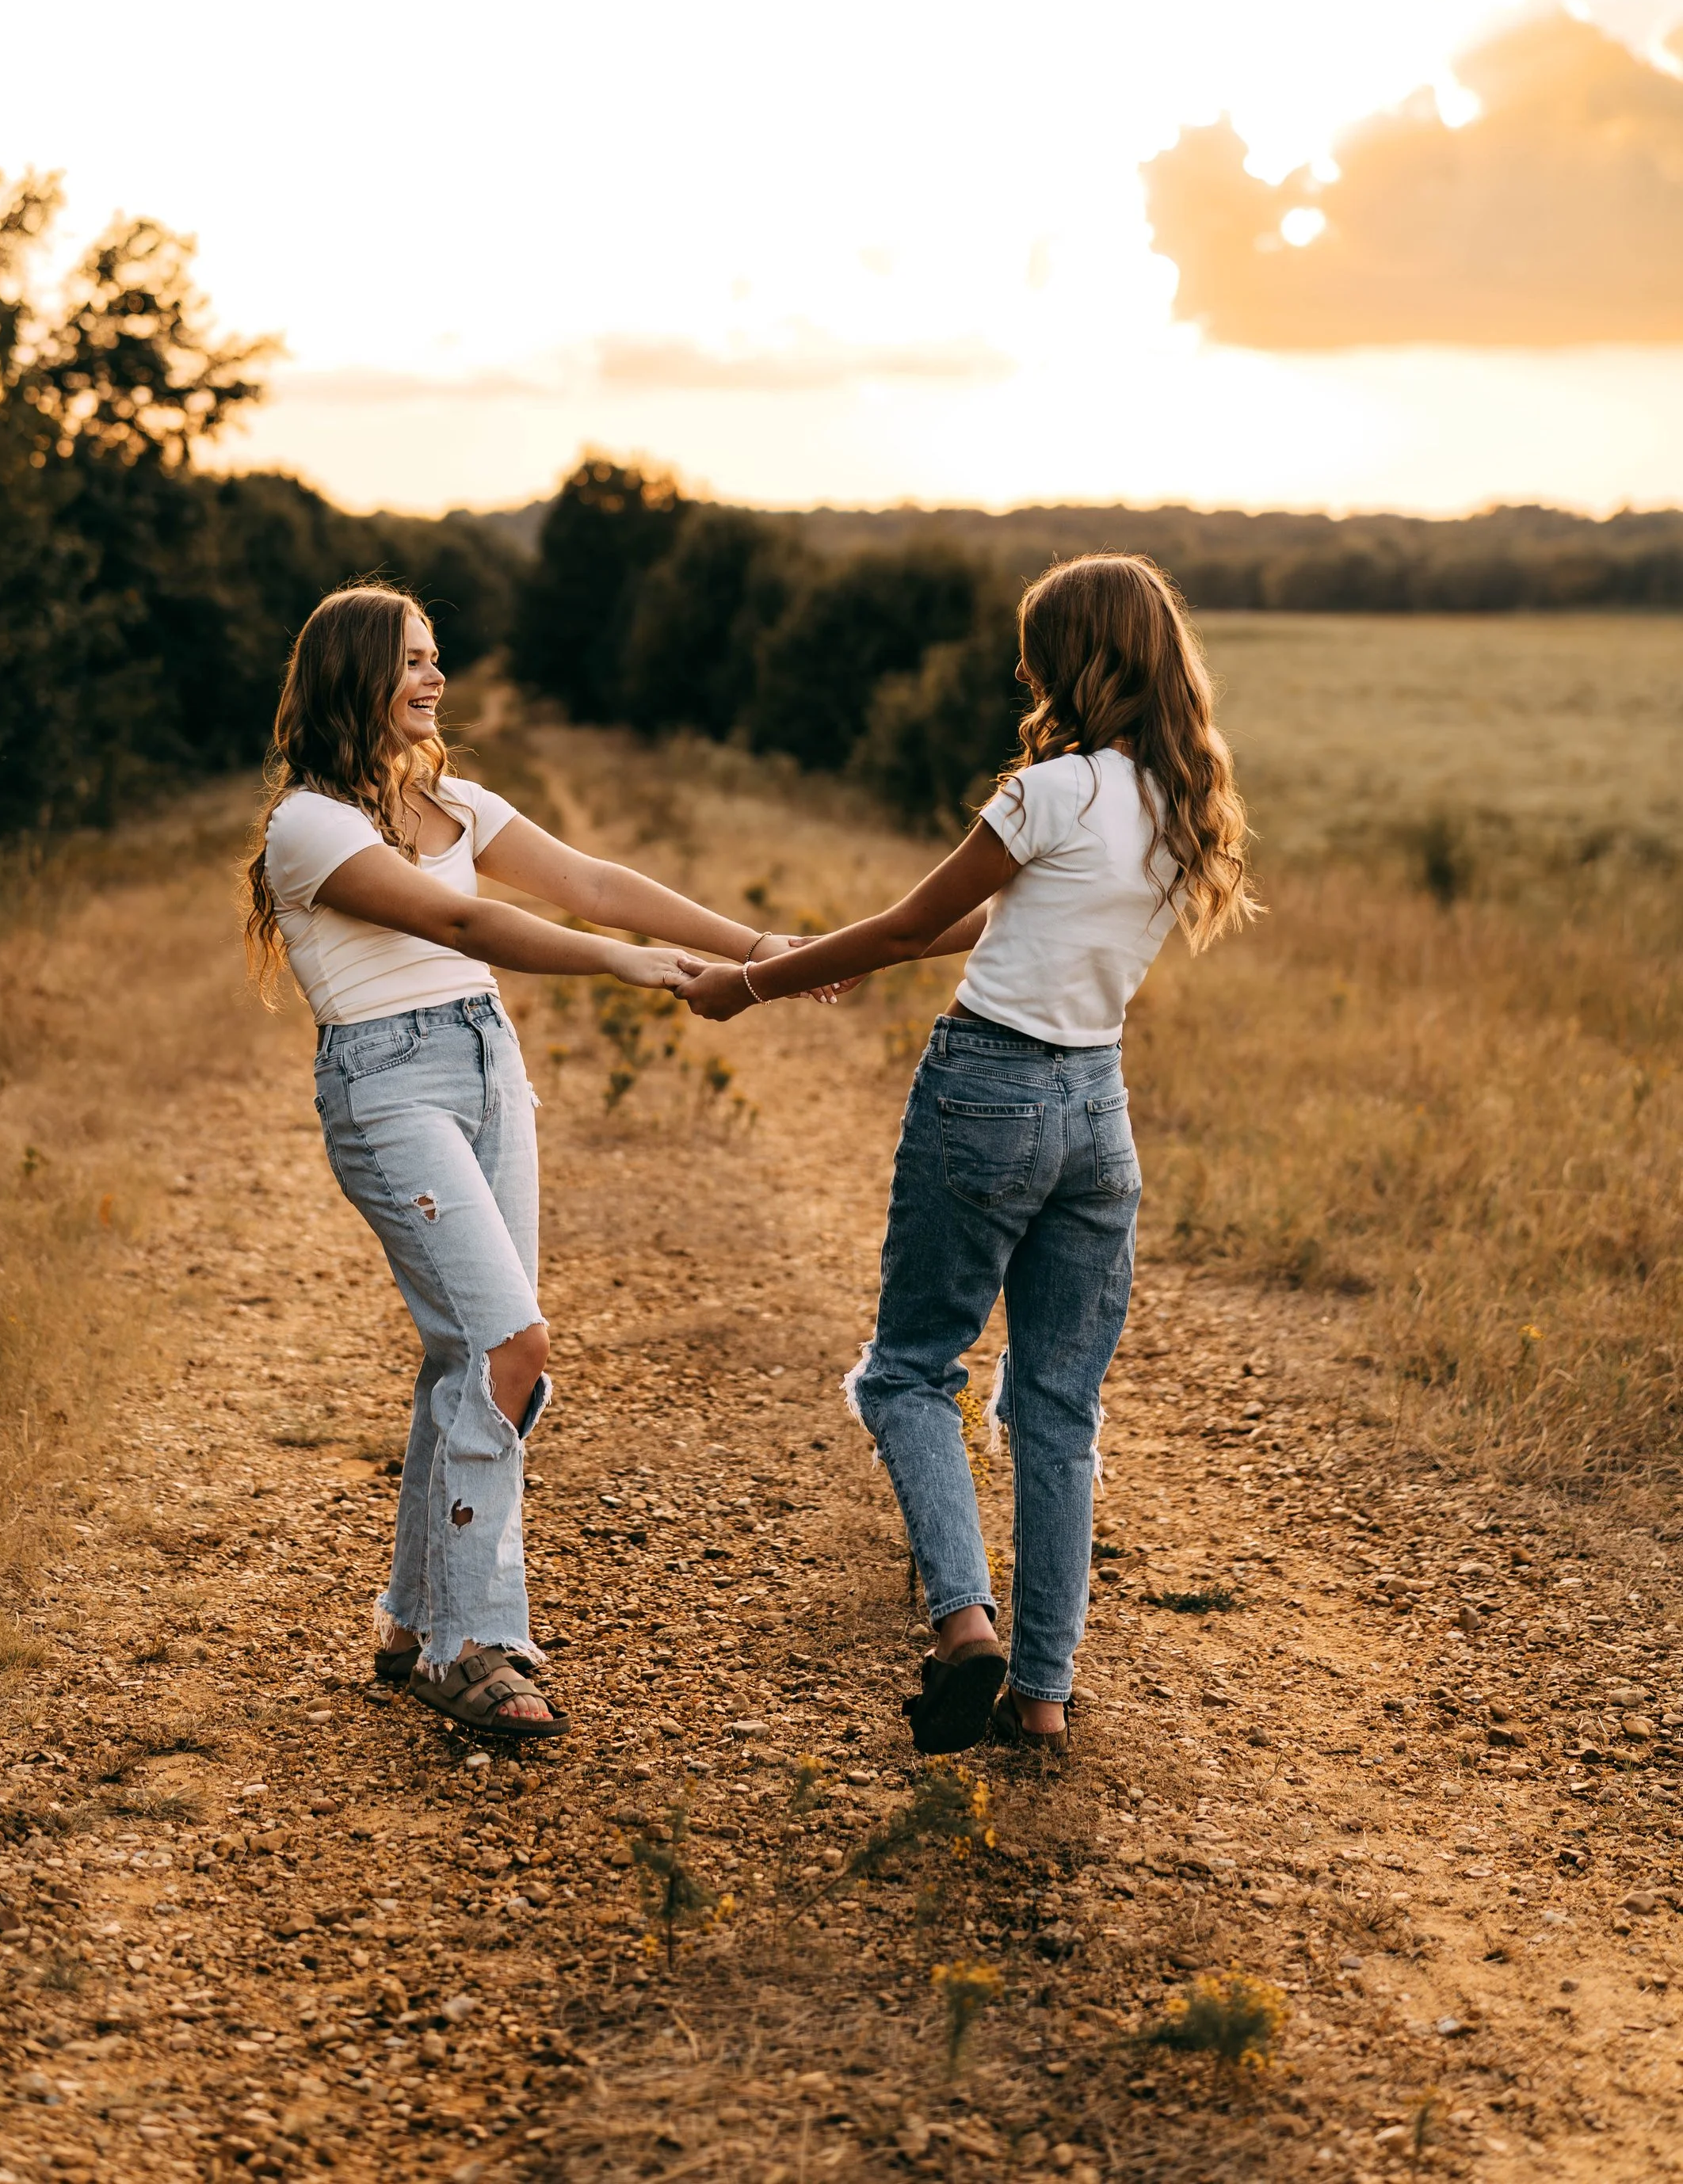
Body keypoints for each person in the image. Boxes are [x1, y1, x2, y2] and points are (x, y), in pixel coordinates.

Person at [685, 555, 1254, 1755]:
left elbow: (905, 920)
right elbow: (967, 922)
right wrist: (841, 959)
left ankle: (964, 1626)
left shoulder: (1048, 791)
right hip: (1098, 1111)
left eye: (1036, 650)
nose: (1020, 669)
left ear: (1079, 661)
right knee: (1058, 1409)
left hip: (988, 1085)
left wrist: (747, 982)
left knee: (905, 1373)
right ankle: (1041, 1698)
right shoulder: (1180, 803)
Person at [245, 582, 807, 1742]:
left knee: (471, 1352)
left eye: (436, 656)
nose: (434, 678)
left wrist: (752, 946)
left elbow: (594, 878)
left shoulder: (447, 798)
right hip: (387, 1084)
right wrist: (622, 966)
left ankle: (413, 1619)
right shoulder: (308, 825)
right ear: (356, 673)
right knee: (513, 1349)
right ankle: (472, 1641)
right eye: (411, 659)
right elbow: (454, 926)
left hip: (488, 1067)